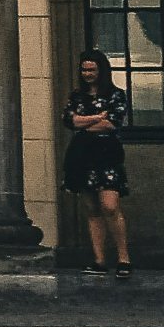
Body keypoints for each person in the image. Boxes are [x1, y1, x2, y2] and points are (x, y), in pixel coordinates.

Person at [61, 53, 135, 275]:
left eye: (91, 70)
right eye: (84, 70)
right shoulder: (76, 96)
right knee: (91, 208)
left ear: (101, 71)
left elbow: (112, 124)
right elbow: (69, 121)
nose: (87, 74)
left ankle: (124, 258)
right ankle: (99, 259)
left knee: (110, 206)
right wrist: (96, 118)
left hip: (106, 154)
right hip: (82, 155)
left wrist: (83, 122)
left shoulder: (116, 95)